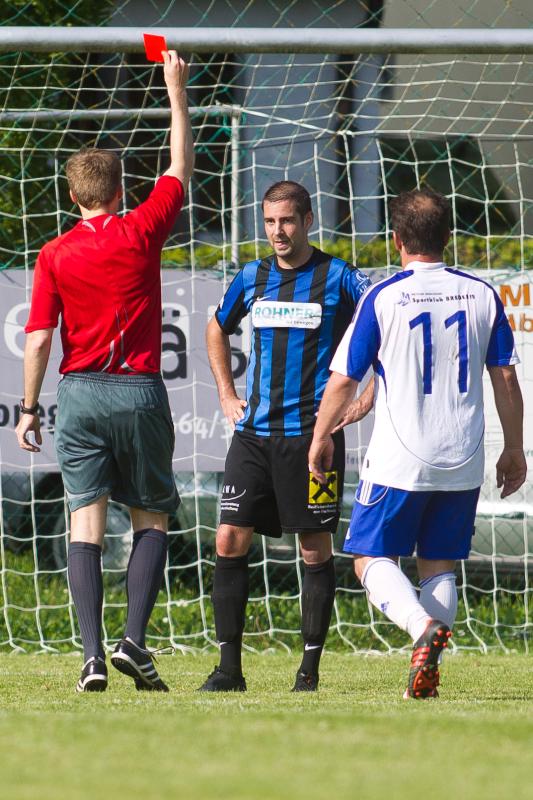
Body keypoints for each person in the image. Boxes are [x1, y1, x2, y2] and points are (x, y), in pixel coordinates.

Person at [15, 51, 194, 693]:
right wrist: (175, 91)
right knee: (151, 518)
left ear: (72, 196)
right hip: (139, 391)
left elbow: (39, 338)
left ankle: (91, 656)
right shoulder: (143, 228)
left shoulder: (54, 252)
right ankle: (133, 643)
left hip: (81, 394)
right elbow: (179, 166)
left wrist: (29, 409)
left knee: (84, 522)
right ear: (121, 191)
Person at [308, 188, 527, 699]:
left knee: (368, 558)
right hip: (463, 456)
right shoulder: (481, 294)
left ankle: (419, 627)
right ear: (448, 236)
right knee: (439, 564)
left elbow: (344, 379)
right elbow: (506, 379)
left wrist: (320, 436)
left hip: (400, 460)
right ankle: (426, 670)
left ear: (396, 239)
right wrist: (514, 448)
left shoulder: (385, 296)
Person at [199, 180, 372, 693]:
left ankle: (309, 672)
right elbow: (216, 327)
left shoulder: (340, 277)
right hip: (253, 436)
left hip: (314, 440)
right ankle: (229, 670)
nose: (278, 231)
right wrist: (227, 394)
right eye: (270, 221)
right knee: (228, 538)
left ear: (307, 221)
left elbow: (387, 328)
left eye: (288, 221)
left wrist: (365, 399)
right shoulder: (251, 276)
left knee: (314, 548)